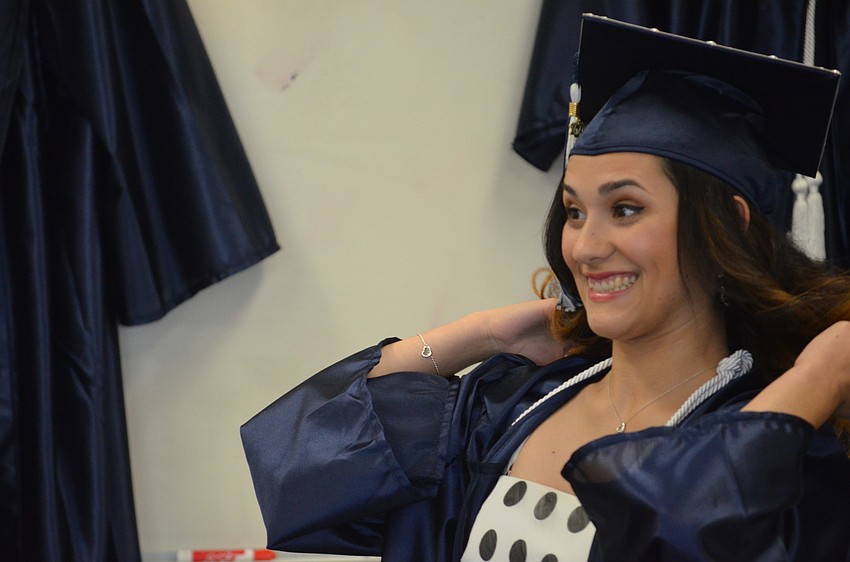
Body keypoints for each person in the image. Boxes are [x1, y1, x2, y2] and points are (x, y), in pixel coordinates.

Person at [241, 16, 850, 561]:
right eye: (575, 212)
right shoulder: (516, 407)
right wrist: (481, 334)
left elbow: (686, 526)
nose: (585, 246)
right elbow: (303, 460)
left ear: (729, 226)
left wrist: (816, 382)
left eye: (626, 209)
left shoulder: (782, 450)